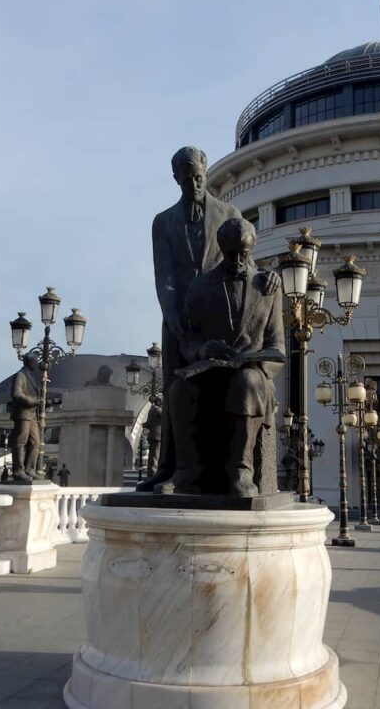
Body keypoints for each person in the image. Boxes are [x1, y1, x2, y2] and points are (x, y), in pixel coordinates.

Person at [139, 146, 245, 493]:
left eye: (199, 178)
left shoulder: (229, 213)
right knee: (174, 391)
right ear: (176, 180)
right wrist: (172, 316)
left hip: (217, 316)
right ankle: (167, 468)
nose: (194, 185)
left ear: (206, 172)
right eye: (186, 181)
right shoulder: (163, 221)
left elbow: (239, 262)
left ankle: (218, 470)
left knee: (219, 389)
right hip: (178, 320)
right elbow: (164, 276)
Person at [170, 218, 285, 496]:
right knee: (180, 389)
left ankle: (241, 471)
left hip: (253, 374)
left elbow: (277, 344)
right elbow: (188, 337)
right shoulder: (200, 287)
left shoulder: (267, 286)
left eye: (243, 254)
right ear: (221, 249)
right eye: (231, 253)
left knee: (246, 382)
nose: (236, 260)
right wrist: (201, 349)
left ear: (252, 249)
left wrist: (257, 361)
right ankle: (189, 472)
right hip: (212, 371)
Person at [9, 352, 43, 482]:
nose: (36, 363)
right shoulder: (20, 375)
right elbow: (16, 394)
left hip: (33, 414)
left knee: (36, 443)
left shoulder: (31, 376)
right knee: (20, 442)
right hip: (23, 413)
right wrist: (31, 401)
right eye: (35, 361)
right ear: (29, 362)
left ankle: (30, 469)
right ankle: (18, 470)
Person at [142, 395, 162, 479]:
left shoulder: (151, 409)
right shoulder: (157, 410)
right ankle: (153, 474)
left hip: (153, 435)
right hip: (157, 436)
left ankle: (150, 474)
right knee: (155, 456)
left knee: (152, 456)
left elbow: (149, 423)